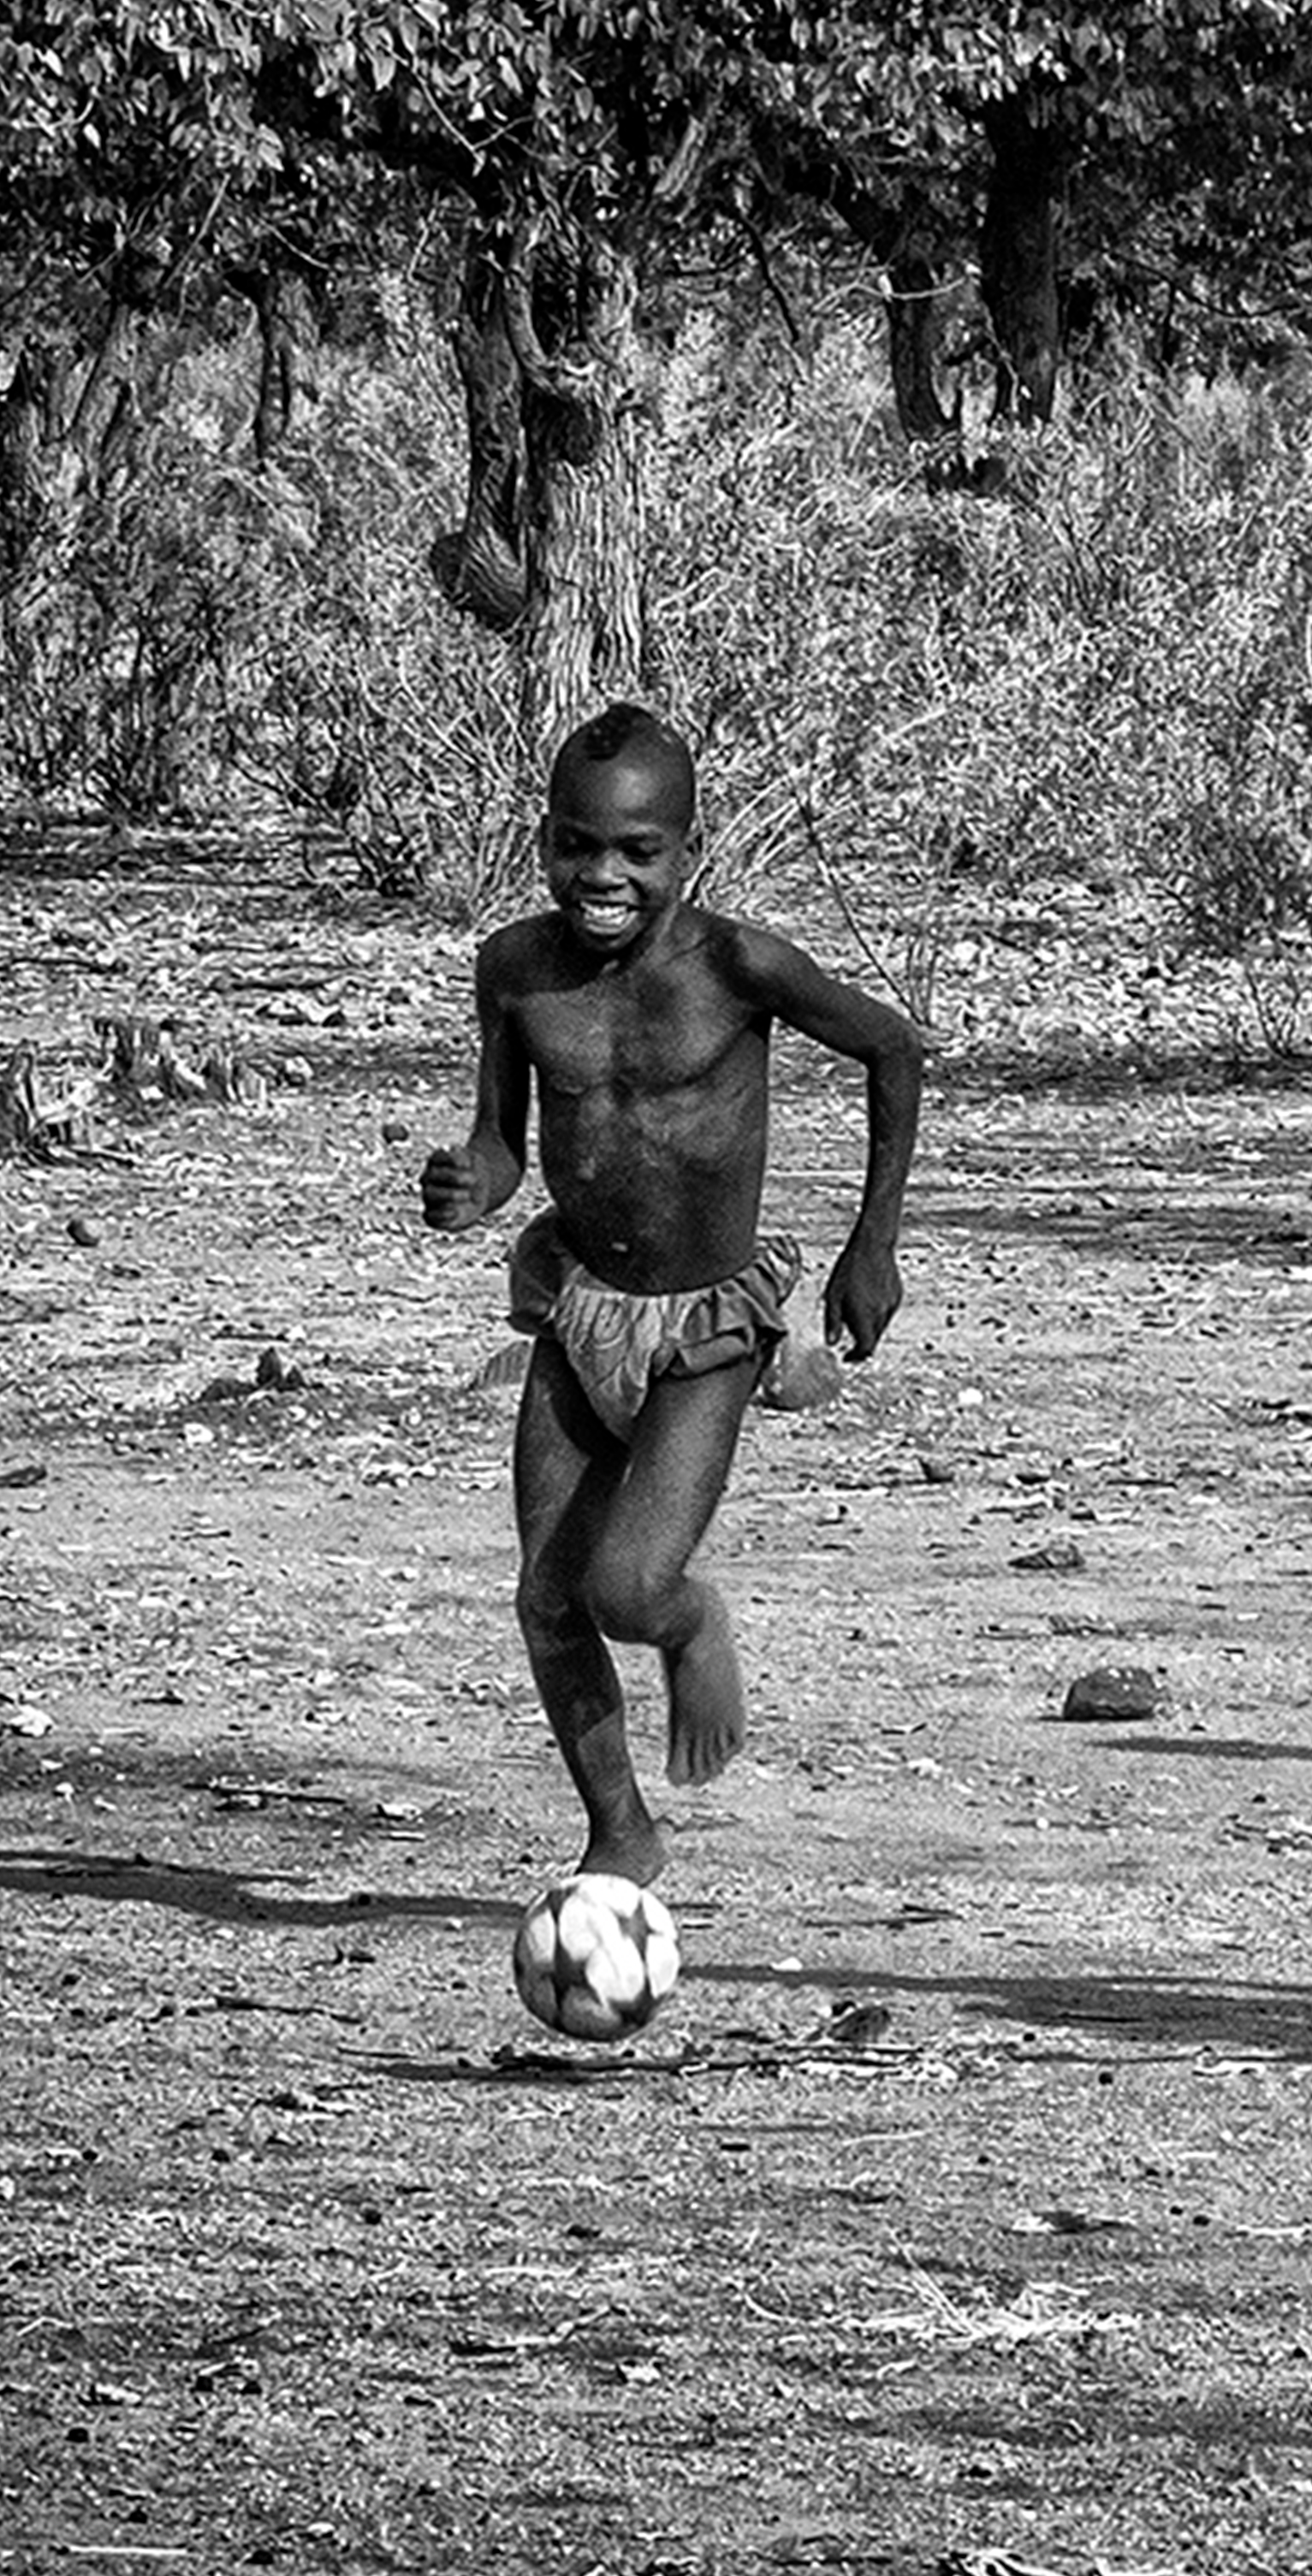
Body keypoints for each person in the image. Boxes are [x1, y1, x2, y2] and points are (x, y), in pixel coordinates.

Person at [421, 705, 927, 1881]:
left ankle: (691, 1621)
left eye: (637, 853)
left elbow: (894, 1049)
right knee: (548, 1599)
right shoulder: (514, 970)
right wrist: (474, 1184)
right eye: (576, 846)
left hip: (705, 1328)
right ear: (544, 839)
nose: (602, 877)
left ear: (686, 852)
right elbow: (502, 1142)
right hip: (579, 1307)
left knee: (629, 1586)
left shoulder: (737, 968)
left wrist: (874, 1244)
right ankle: (619, 1831)